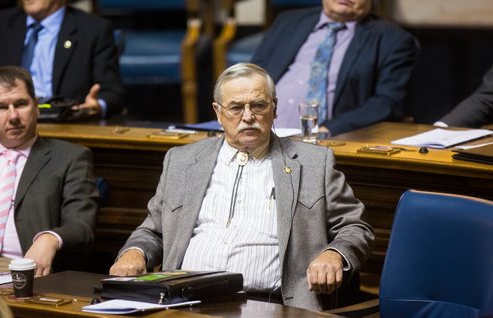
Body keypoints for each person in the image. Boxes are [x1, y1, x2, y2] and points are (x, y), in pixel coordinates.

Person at [109, 63, 374, 311]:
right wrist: (134, 252)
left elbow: (355, 227)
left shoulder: (313, 162)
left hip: (271, 305)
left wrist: (333, 253)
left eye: (258, 105)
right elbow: (153, 230)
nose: (248, 117)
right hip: (183, 302)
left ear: (275, 108)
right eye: (236, 108)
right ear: (218, 112)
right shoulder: (182, 161)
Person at [251, 0, 418, 136]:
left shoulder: (393, 39)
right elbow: (252, 74)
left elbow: (388, 102)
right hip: (258, 132)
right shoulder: (288, 21)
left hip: (325, 142)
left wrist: (329, 129)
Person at [0, 65, 99, 276]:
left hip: (28, 277)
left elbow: (81, 225)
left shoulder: (70, 158)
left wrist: (50, 238)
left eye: (21, 104)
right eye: (1, 107)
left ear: (37, 107)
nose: (13, 116)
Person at [0, 0, 124, 118]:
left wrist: (97, 106)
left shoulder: (94, 30)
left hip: (65, 126)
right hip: (6, 123)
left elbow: (112, 93)